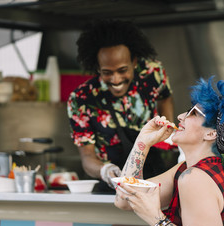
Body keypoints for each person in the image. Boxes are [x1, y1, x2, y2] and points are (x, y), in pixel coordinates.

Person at [114, 78, 224, 226]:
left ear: (211, 133)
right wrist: (143, 142)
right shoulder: (190, 169)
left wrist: (155, 218)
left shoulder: (195, 179)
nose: (181, 116)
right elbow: (124, 199)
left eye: (193, 113)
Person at [67, 19, 174, 191]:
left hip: (154, 175)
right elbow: (87, 158)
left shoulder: (152, 74)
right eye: (107, 72)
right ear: (97, 67)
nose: (116, 80)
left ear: (134, 62)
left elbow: (165, 97)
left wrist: (167, 131)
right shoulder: (81, 99)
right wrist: (105, 170)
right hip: (112, 185)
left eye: (122, 70)